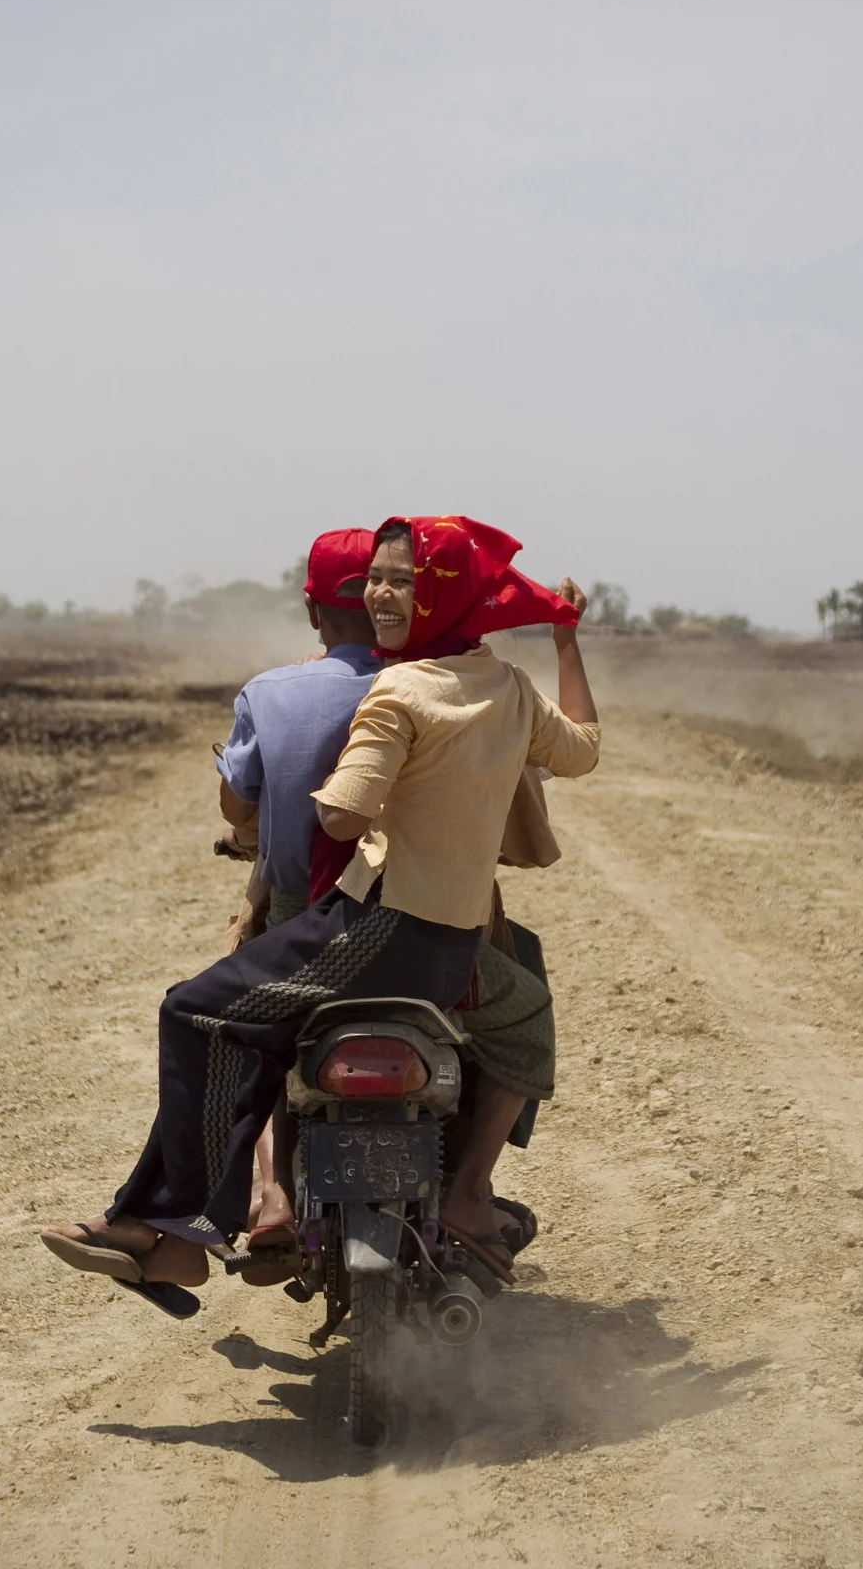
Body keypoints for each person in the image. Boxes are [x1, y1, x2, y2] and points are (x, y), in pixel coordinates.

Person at [41, 516, 598, 1317]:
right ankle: (194, 1226)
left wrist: (320, 795)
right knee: (253, 1021)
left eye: (403, 579)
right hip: (448, 950)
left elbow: (341, 818)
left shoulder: (398, 690)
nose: (382, 591)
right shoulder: (507, 687)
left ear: (440, 592)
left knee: (194, 1011)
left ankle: (188, 1233)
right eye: (376, 576)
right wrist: (566, 639)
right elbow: (583, 745)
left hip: (380, 932)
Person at [212, 528, 380, 951]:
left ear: (311, 610)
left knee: (198, 1002)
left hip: (300, 912)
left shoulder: (267, 691)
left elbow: (236, 807)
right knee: (525, 997)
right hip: (414, 912)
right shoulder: (431, 682)